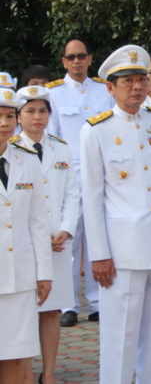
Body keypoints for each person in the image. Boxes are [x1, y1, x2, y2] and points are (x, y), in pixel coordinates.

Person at [80, 45, 151, 383]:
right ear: (110, 87)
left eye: (141, 79)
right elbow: (92, 198)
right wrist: (99, 254)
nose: (138, 86)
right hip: (121, 253)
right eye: (128, 81)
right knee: (120, 337)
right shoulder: (96, 130)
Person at [14, 86, 80, 384]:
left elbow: (72, 194)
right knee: (25, 312)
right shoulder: (11, 149)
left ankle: (49, 373)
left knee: (52, 310)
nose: (37, 116)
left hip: (57, 243)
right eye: (30, 111)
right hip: (25, 245)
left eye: (43, 111)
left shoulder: (61, 148)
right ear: (19, 117)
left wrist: (66, 228)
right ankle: (25, 373)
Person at [46, 37, 114, 327]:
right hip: (69, 174)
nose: (77, 61)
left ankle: (98, 302)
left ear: (90, 59)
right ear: (64, 61)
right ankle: (69, 304)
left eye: (81, 56)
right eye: (71, 57)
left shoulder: (104, 89)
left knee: (99, 236)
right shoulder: (54, 94)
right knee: (70, 240)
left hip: (101, 172)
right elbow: (52, 137)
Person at [0, 88, 52, 384]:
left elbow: (38, 222)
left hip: (20, 276)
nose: (4, 123)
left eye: (10, 116)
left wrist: (43, 273)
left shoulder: (27, 160)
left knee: (15, 353)